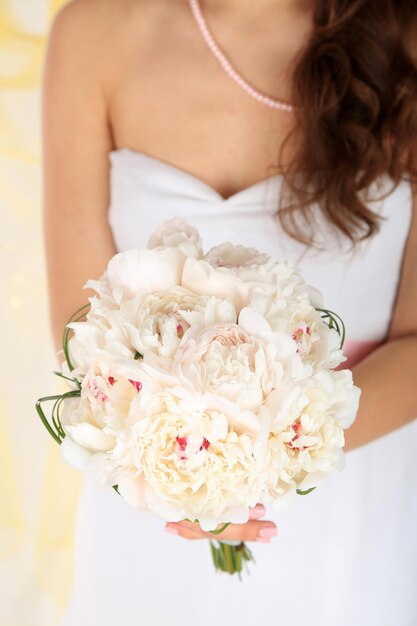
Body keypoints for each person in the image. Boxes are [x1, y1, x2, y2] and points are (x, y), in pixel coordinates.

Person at [41, 0, 417, 624]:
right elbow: (76, 326)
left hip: (354, 499)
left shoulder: (404, 38)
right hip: (158, 501)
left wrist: (254, 464)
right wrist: (191, 474)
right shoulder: (93, 33)